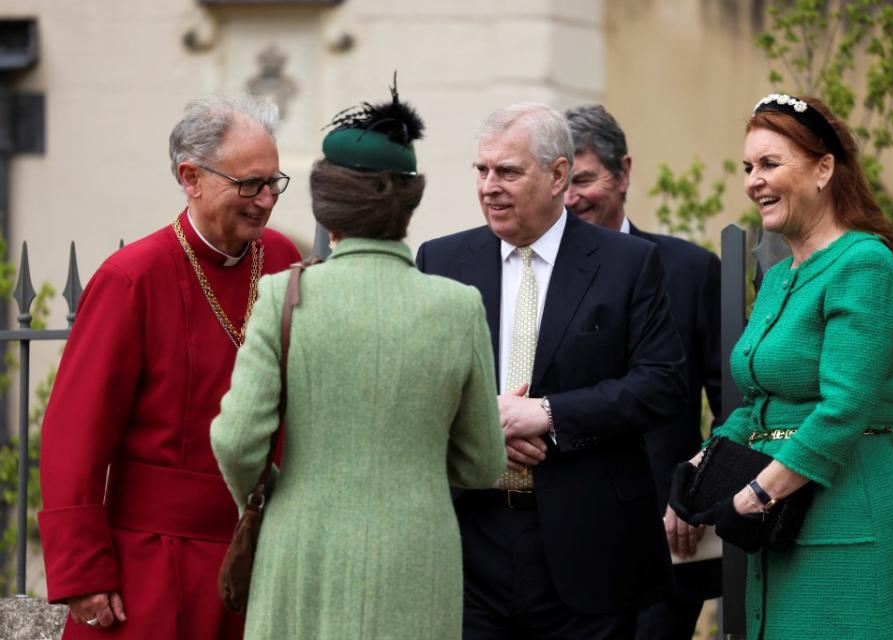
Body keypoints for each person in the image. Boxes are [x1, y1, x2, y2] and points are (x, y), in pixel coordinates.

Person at [210, 86, 506, 640]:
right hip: (417, 556)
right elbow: (481, 463)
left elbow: (235, 439)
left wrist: (279, 488)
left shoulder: (282, 295)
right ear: (409, 204)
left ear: (325, 207)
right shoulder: (459, 307)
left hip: (301, 544)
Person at [416, 102, 687, 638]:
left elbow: (662, 385)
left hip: (588, 545)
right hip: (470, 539)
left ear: (558, 174)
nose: (489, 186)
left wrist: (545, 414)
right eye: (482, 170)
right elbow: (418, 390)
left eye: (508, 172)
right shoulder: (441, 262)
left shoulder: (627, 264)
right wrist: (489, 428)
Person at [38, 95, 302, 639]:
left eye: (274, 181)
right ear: (191, 177)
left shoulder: (282, 262)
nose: (266, 199)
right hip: (154, 559)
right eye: (249, 184)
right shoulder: (131, 277)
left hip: (265, 551)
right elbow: (75, 435)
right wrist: (84, 572)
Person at [668, 94, 893, 640]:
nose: (753, 181)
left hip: (847, 517)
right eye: (747, 167)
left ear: (824, 168)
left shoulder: (864, 264)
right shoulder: (780, 277)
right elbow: (757, 406)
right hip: (779, 518)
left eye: (770, 164)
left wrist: (757, 494)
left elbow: (844, 408)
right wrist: (696, 474)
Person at [565, 104, 723, 640]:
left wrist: (698, 490)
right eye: (561, 179)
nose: (570, 197)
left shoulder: (692, 271)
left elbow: (738, 405)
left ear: (624, 172)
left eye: (584, 178)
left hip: (669, 534)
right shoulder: (534, 276)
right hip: (566, 540)